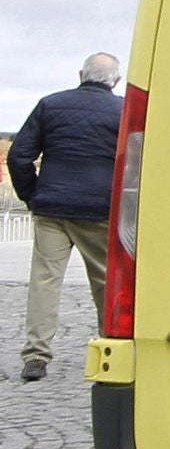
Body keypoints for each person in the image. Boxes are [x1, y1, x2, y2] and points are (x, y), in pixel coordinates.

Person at [9, 54, 123, 381]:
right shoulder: (123, 110)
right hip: (100, 209)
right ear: (115, 81)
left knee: (45, 280)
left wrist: (31, 194)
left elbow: (19, 155)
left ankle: (36, 356)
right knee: (105, 279)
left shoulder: (50, 105)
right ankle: (112, 346)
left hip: (52, 208)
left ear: (80, 75)